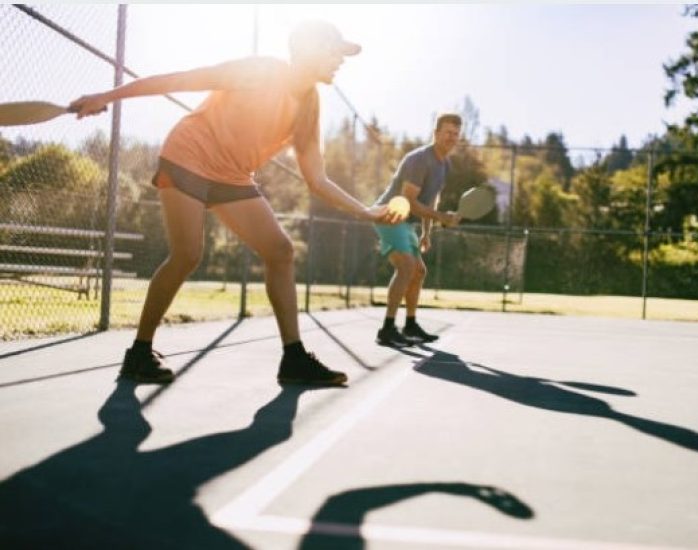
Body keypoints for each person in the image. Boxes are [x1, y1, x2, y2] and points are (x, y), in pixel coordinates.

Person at [69, 20, 403, 386]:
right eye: (334, 51)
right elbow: (179, 79)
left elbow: (317, 179)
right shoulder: (259, 71)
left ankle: (293, 360)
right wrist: (107, 96)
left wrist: (366, 211)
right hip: (190, 154)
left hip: (232, 175)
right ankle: (138, 353)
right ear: (308, 51)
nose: (340, 60)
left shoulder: (309, 104)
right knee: (188, 254)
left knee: (280, 250)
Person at [372, 113, 462, 346]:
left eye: (456, 134)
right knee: (407, 266)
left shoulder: (444, 164)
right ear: (436, 133)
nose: (452, 138)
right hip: (389, 215)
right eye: (447, 133)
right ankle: (387, 329)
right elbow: (409, 201)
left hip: (405, 221)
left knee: (419, 271)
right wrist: (442, 217)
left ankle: (410, 325)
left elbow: (431, 201)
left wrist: (427, 232)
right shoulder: (420, 159)